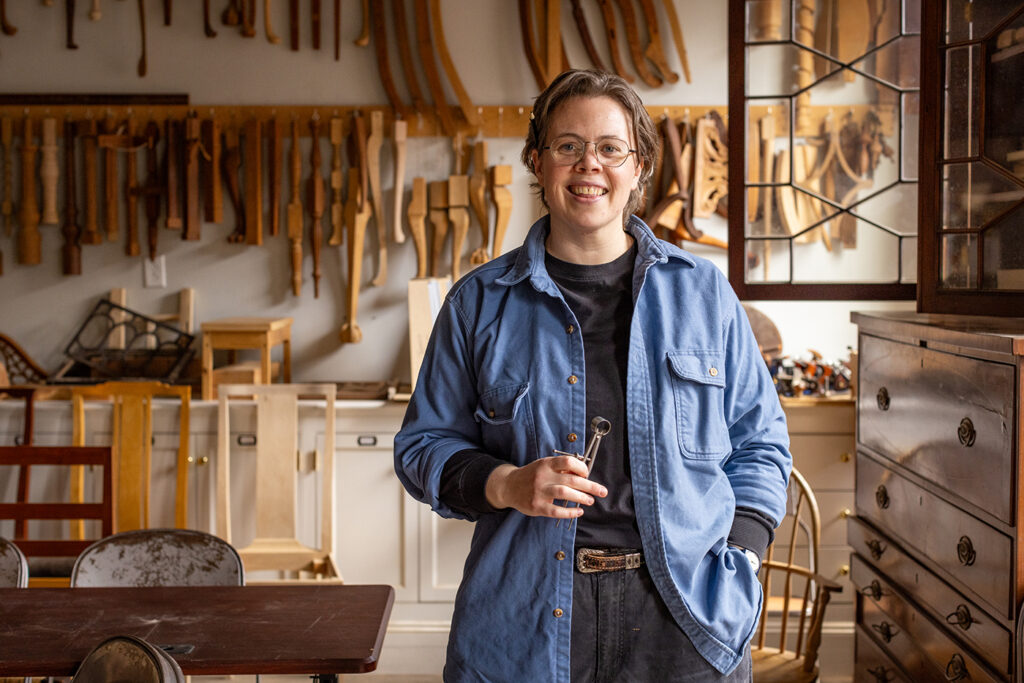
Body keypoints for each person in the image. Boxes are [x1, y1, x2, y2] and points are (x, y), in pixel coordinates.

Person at [394, 69, 792, 682]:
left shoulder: (704, 293)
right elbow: (422, 447)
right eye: (568, 146)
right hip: (527, 621)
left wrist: (740, 551)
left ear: (639, 166)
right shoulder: (478, 303)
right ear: (537, 160)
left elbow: (761, 442)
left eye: (611, 148)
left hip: (685, 614)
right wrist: (505, 484)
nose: (590, 166)